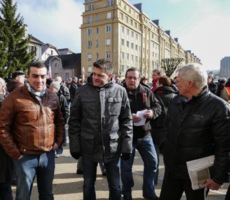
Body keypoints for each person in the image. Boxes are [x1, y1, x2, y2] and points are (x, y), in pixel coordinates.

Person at [0, 61, 65, 200]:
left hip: (47, 155)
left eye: (43, 76)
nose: (39, 80)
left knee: (47, 194)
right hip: (25, 158)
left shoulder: (52, 96)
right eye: (35, 76)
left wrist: (58, 143)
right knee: (23, 196)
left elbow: (60, 122)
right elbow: (0, 128)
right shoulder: (14, 98)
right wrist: (15, 153)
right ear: (27, 76)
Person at [160, 63, 230, 200]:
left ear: (190, 83)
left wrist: (218, 178)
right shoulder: (176, 100)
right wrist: (164, 146)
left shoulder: (219, 107)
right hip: (172, 169)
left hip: (198, 173)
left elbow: (225, 147)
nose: (175, 82)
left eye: (178, 79)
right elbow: (166, 127)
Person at [69, 58, 133, 200]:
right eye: (94, 74)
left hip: (113, 148)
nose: (95, 78)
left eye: (100, 75)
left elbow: (126, 120)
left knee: (115, 185)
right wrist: (75, 145)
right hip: (88, 148)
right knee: (88, 184)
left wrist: (127, 146)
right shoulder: (82, 91)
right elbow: (74, 120)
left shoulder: (120, 92)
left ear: (110, 76)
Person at [121, 67, 161, 200]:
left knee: (152, 163)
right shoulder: (119, 92)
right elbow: (111, 113)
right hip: (126, 137)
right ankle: (126, 193)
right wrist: (128, 117)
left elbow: (158, 106)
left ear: (139, 79)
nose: (132, 80)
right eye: (129, 77)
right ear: (125, 78)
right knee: (126, 169)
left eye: (135, 77)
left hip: (145, 135)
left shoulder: (147, 91)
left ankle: (148, 192)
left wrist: (152, 113)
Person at [151, 76, 177, 185]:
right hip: (171, 132)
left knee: (154, 160)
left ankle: (154, 180)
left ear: (161, 84)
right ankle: (170, 182)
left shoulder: (154, 96)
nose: (156, 84)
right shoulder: (176, 96)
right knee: (170, 160)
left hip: (156, 131)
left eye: (157, 83)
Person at [49, 81, 69, 157]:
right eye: (50, 87)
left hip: (59, 121)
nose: (50, 89)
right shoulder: (47, 96)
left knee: (59, 136)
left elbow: (66, 109)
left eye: (52, 87)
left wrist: (64, 120)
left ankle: (59, 150)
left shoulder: (61, 97)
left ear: (56, 88)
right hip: (50, 121)